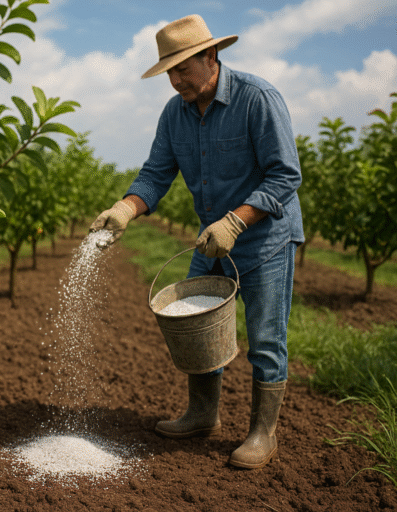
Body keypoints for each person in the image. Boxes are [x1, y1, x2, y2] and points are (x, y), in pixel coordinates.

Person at [90, 14, 304, 469]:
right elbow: (156, 173)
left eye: (183, 68)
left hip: (263, 238)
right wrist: (125, 209)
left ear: (211, 57)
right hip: (211, 242)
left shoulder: (257, 99)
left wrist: (237, 221)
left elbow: (286, 173)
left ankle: (263, 434)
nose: (174, 80)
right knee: (192, 326)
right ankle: (203, 413)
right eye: (168, 71)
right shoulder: (176, 113)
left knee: (265, 338)